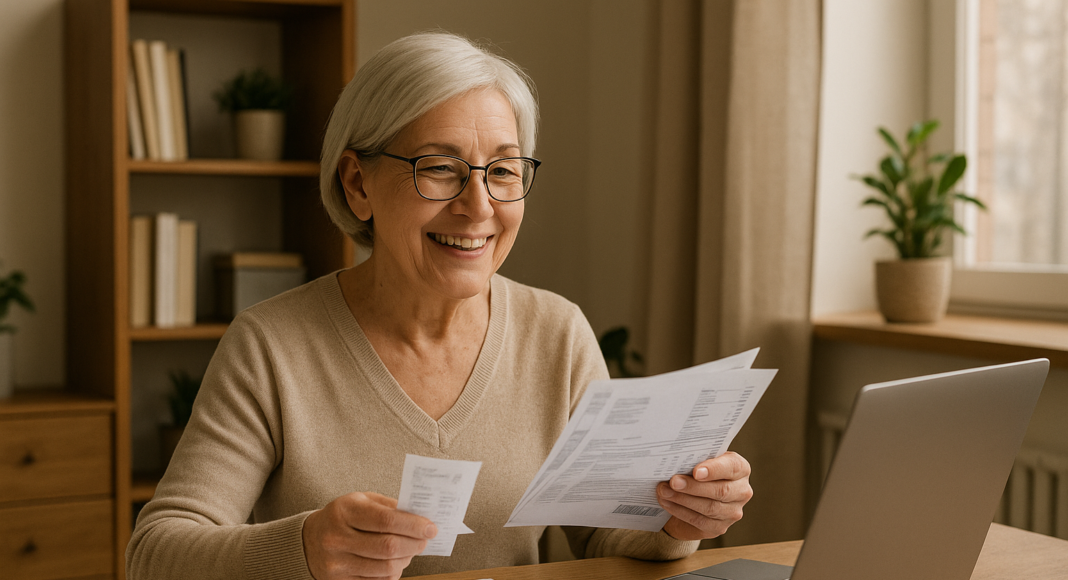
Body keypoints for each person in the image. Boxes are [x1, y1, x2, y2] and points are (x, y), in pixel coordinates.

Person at [126, 31, 753, 580]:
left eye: (503, 171)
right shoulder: (271, 344)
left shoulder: (555, 332)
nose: (478, 206)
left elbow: (602, 536)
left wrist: (677, 521)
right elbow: (156, 555)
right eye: (440, 168)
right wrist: (305, 551)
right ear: (357, 183)